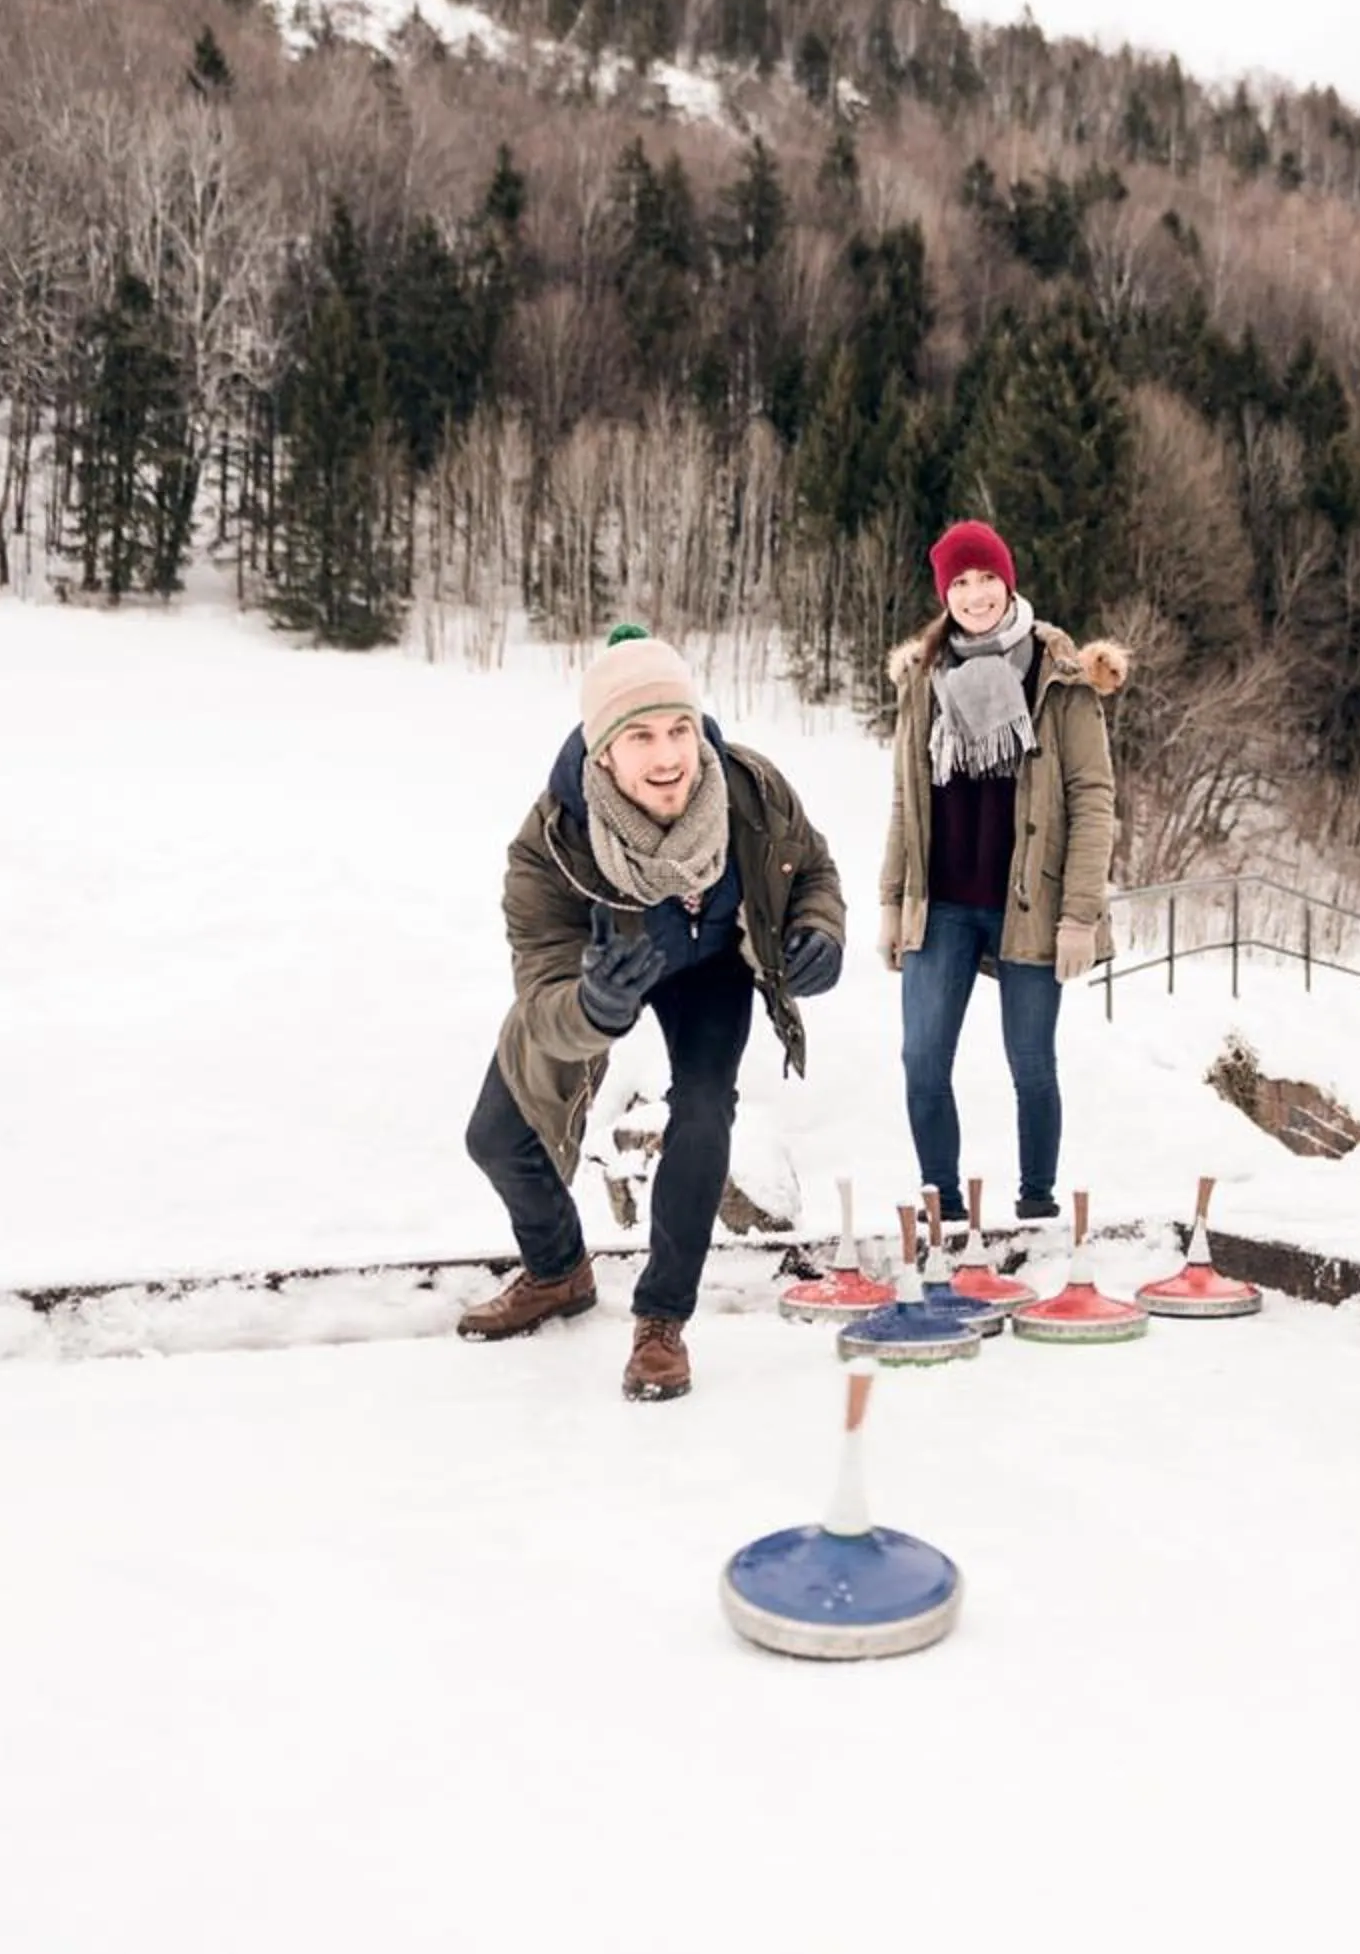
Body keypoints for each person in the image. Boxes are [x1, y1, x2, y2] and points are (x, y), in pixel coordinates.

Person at [457, 623, 845, 1401]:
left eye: (679, 729)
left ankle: (662, 1320)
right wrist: (593, 1007)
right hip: (606, 979)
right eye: (641, 736)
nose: (669, 756)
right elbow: (541, 993)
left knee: (703, 1112)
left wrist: (819, 933)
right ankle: (558, 1270)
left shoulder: (748, 789)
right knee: (495, 1137)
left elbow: (813, 869)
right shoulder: (550, 848)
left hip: (709, 974)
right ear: (603, 750)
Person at [877, 519, 1127, 1224]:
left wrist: (1079, 914)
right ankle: (945, 1213)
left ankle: (1037, 1207)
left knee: (1031, 1065)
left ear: (1008, 580)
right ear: (944, 594)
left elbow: (1092, 797)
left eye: (987, 577)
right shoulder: (925, 676)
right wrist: (893, 902)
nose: (976, 593)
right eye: (960, 582)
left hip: (1030, 903)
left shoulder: (1059, 674)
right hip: (943, 901)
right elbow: (906, 796)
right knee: (922, 1062)